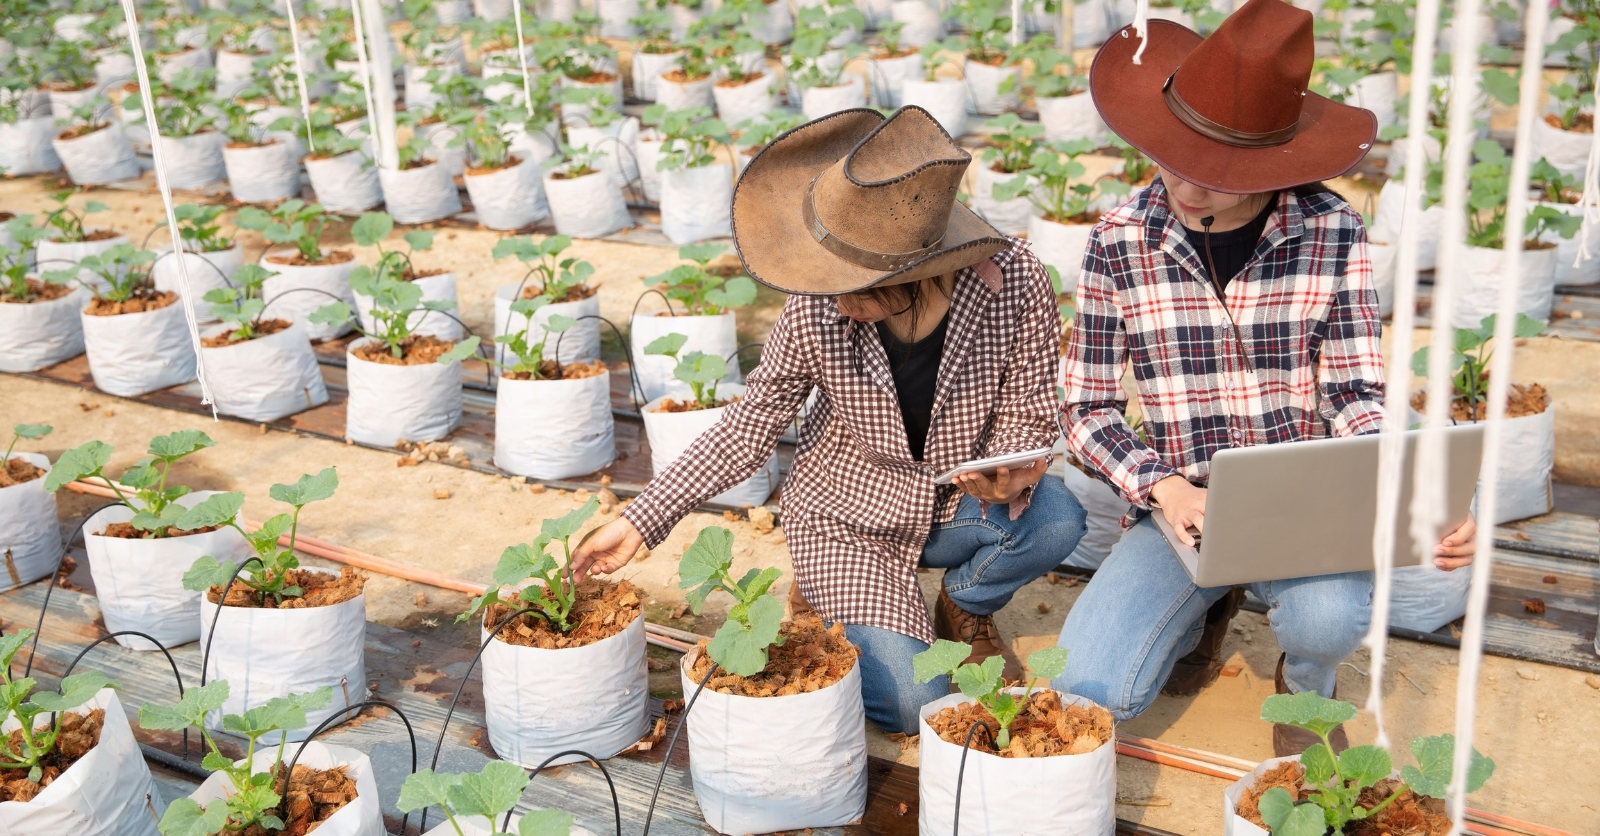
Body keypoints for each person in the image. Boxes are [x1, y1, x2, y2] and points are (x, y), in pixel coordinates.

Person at [572, 106, 1087, 735]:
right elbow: (750, 424)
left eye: (860, 287)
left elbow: (1027, 408)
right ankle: (827, 591)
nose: (835, 298)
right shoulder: (816, 308)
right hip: (851, 519)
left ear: (923, 271)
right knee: (910, 704)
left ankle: (965, 603)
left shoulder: (1014, 285)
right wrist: (642, 517)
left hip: (954, 503)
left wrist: (1010, 468)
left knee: (1058, 517)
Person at [1052, 0, 1477, 756]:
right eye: (1171, 157)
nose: (1187, 186)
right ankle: (1205, 604)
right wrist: (1163, 487)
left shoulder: (1331, 232)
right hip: (1181, 501)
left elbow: (1352, 392)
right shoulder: (1118, 243)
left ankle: (1304, 684)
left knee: (1327, 619)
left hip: (1299, 502)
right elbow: (1087, 408)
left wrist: (1415, 492)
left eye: (1217, 174)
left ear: (1270, 164)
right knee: (1091, 687)